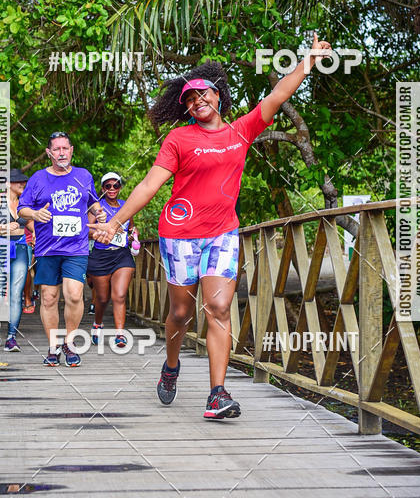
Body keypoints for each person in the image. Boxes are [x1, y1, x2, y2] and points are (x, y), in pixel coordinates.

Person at [97, 34, 332, 418]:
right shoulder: (178, 138)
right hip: (179, 234)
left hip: (223, 232)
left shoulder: (240, 131)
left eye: (202, 94)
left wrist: (307, 60)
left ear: (218, 95)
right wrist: (115, 223)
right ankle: (171, 366)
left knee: (220, 307)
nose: (197, 101)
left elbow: (276, 98)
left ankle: (217, 394)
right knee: (180, 314)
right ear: (186, 108)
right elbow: (148, 185)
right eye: (189, 99)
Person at [18, 131, 104, 367]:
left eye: (65, 148)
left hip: (76, 246)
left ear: (72, 150)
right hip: (47, 248)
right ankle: (54, 346)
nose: (61, 153)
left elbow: (93, 200)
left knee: (74, 294)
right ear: (49, 153)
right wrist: (34, 213)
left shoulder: (83, 176)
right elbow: (22, 209)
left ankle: (70, 342)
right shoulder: (37, 178)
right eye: (56, 149)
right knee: (48, 297)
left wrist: (99, 211)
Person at [0, 168, 34, 352]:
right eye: (19, 182)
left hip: (20, 247)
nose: (22, 185)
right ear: (9, 184)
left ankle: (11, 337)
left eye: (24, 182)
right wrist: (3, 226)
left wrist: (38, 233)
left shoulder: (24, 204)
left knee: (16, 294)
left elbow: (32, 226)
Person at [87, 172, 139, 349]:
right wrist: (100, 234)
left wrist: (133, 235)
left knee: (120, 295)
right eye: (108, 186)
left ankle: (120, 335)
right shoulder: (97, 208)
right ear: (102, 189)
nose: (112, 189)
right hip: (101, 255)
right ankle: (97, 323)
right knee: (102, 298)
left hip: (122, 255)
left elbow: (131, 227)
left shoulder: (126, 206)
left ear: (120, 188)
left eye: (115, 185)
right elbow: (87, 230)